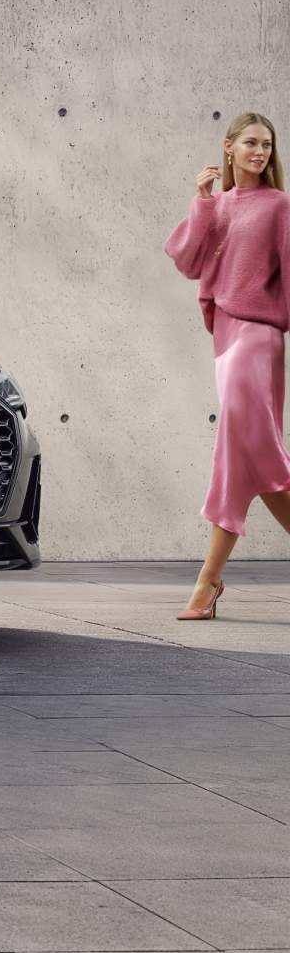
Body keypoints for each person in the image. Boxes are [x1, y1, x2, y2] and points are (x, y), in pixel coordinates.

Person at [165, 112, 290, 620]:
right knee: (250, 461)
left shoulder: (280, 205)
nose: (260, 152)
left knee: (246, 452)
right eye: (251, 143)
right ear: (230, 146)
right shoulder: (216, 206)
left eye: (267, 144)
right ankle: (209, 581)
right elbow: (187, 260)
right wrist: (201, 203)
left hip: (259, 337)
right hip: (224, 338)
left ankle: (206, 580)